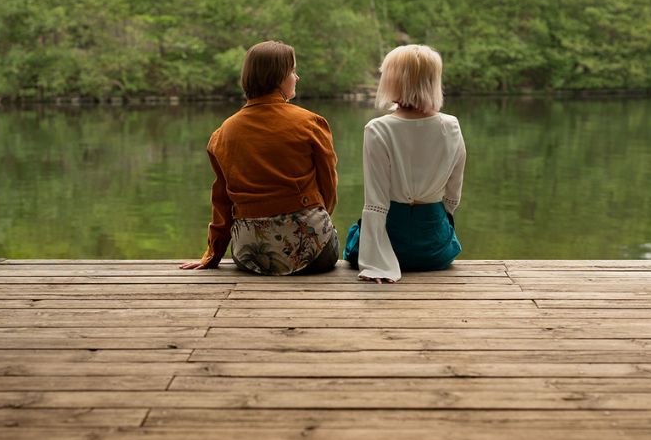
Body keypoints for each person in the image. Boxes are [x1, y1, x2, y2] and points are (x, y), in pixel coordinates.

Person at [180, 40, 339, 275]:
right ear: (279, 77)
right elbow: (329, 187)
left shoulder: (222, 134)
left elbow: (222, 201)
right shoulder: (311, 123)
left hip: (250, 256)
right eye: (293, 71)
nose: (297, 77)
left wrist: (212, 255)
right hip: (313, 253)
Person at [344, 44, 465, 284]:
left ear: (393, 81)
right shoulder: (450, 126)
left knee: (352, 236)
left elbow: (375, 202)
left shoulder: (378, 129)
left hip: (392, 241)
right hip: (436, 250)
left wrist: (376, 264)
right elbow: (453, 196)